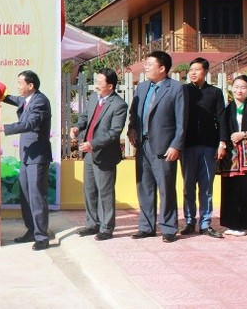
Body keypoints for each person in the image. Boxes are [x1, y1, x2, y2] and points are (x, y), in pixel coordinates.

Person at [0, 70, 52, 251]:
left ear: (30, 86)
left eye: (20, 83)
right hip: (27, 157)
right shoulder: (28, 99)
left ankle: (42, 237)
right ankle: (31, 231)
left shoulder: (40, 101)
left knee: (37, 196)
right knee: (26, 195)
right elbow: (15, 99)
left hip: (37, 157)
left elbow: (29, 124)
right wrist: (0, 94)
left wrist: (3, 127)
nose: (18, 86)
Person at [127, 51, 187, 243]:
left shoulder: (176, 88)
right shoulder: (142, 87)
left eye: (150, 64)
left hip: (164, 146)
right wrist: (132, 129)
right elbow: (134, 113)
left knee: (166, 188)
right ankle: (146, 226)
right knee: (144, 187)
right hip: (143, 145)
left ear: (162, 68)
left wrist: (176, 145)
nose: (146, 67)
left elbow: (182, 121)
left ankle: (169, 228)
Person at [70, 68, 127, 241]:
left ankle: (106, 227)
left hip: (104, 155)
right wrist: (77, 127)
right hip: (88, 155)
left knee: (105, 192)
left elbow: (114, 132)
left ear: (110, 86)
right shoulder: (95, 97)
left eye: (100, 83)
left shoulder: (119, 105)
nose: (96, 86)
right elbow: (85, 116)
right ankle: (92, 224)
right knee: (89, 191)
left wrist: (93, 144)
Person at [181, 58, 227, 238]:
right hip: (187, 146)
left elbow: (221, 118)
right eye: (191, 69)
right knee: (188, 186)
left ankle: (206, 223)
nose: (193, 73)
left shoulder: (215, 92)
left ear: (205, 71)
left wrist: (222, 143)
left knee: (206, 187)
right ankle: (190, 222)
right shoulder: (184, 91)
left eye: (197, 69)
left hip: (209, 146)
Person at [219, 75, 247, 236]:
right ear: (232, 88)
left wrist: (244, 134)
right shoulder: (226, 108)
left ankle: (244, 224)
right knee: (230, 187)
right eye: (237, 86)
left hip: (246, 154)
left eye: (243, 87)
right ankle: (232, 223)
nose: (239, 90)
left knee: (245, 188)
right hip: (230, 155)